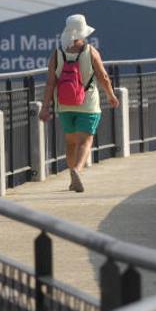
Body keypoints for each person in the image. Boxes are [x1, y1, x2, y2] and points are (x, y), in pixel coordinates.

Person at [39, 14, 118, 193]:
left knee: (71, 142)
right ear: (83, 32)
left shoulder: (58, 54)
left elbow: (50, 82)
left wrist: (45, 107)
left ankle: (71, 177)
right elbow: (103, 76)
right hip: (87, 103)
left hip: (64, 105)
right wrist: (110, 95)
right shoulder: (90, 51)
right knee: (86, 140)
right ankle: (77, 169)